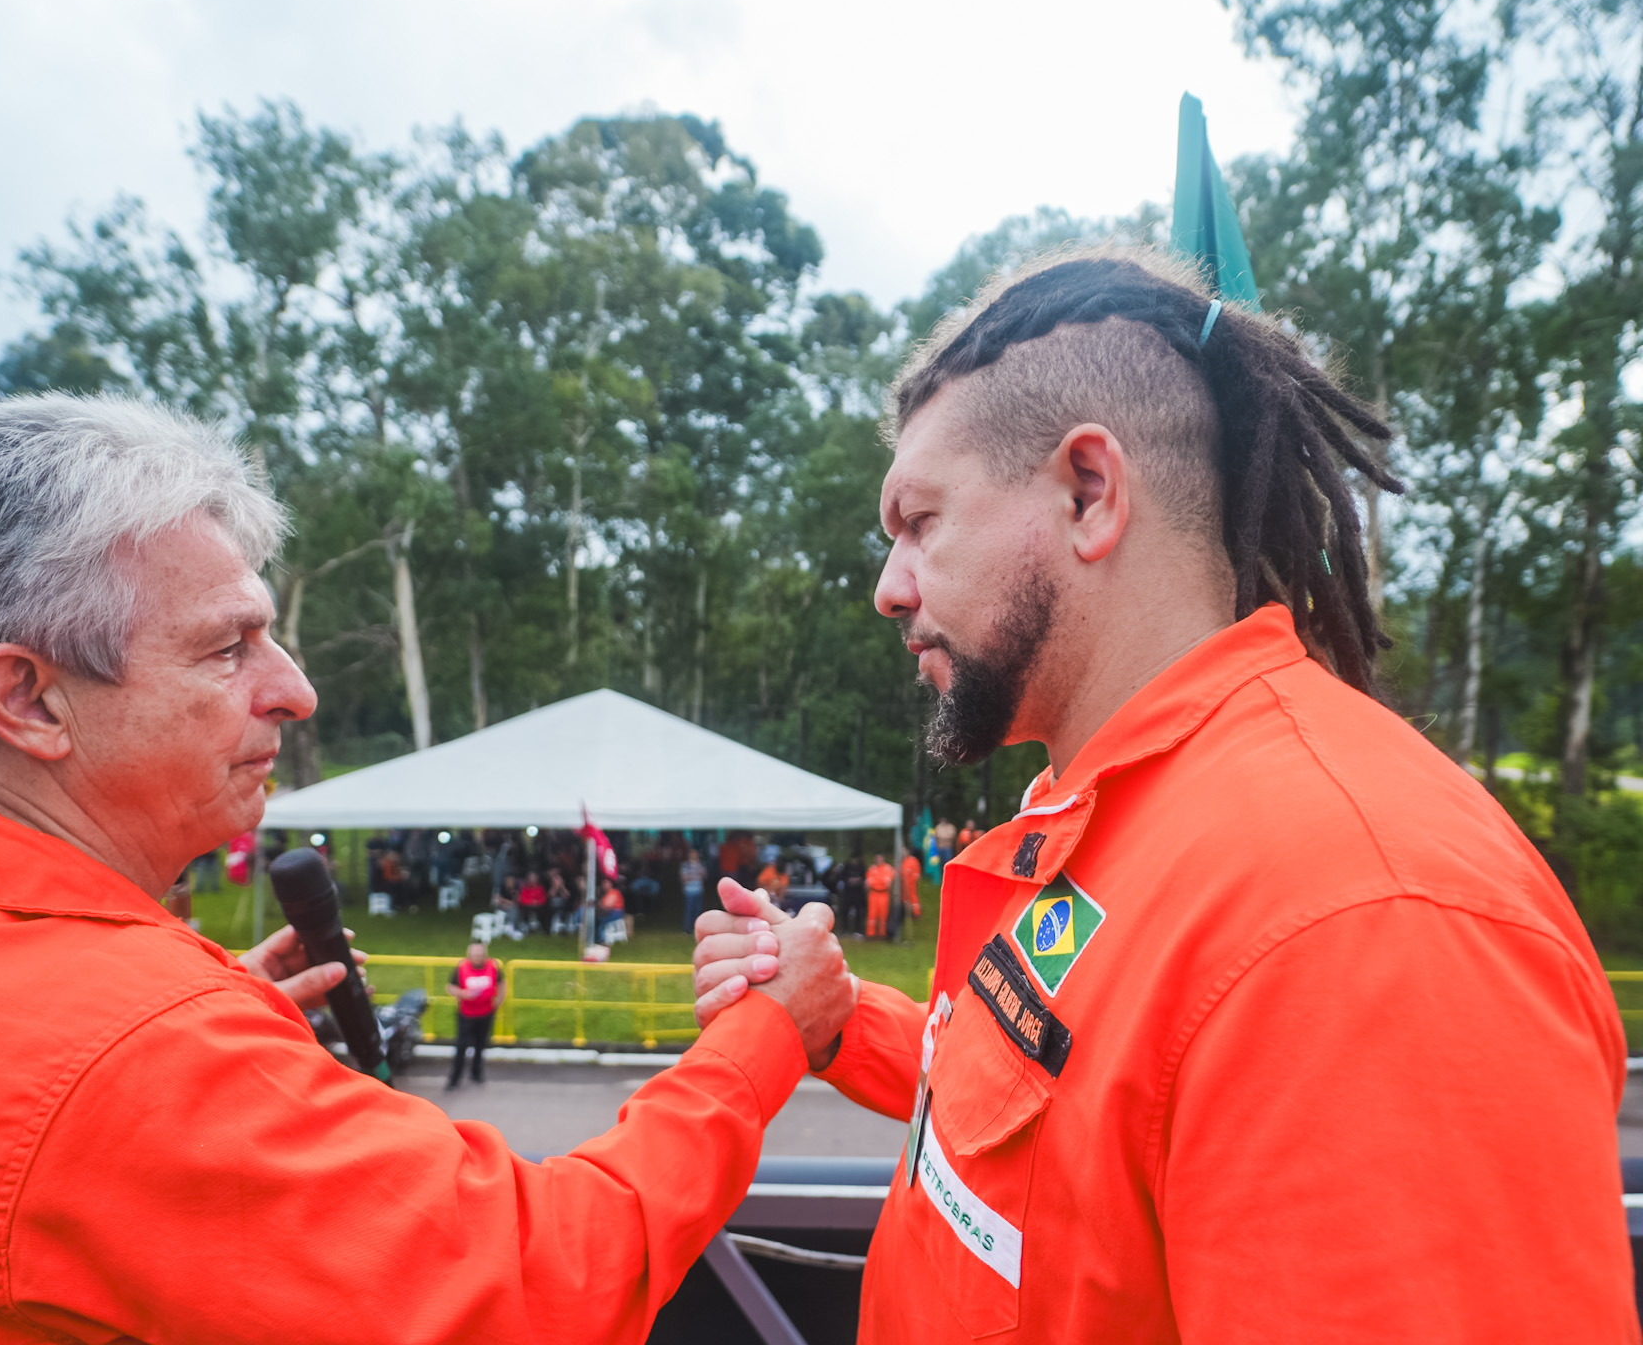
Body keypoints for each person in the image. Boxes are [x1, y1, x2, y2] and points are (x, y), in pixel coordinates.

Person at [0, 394, 857, 1344]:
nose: (292, 688)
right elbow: (539, 1285)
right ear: (27, 700)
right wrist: (761, 1038)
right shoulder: (137, 1050)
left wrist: (218, 1043)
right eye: (226, 646)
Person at [690, 251, 1633, 1342]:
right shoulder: (1111, 802)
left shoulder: (1361, 922)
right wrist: (839, 1021)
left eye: (920, 521)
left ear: (1088, 492)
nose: (887, 589)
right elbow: (1068, 1110)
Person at [445, 937, 502, 1089]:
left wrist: (498, 1001)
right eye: (475, 955)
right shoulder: (461, 968)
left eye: (480, 955)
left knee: (480, 1044)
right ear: (469, 956)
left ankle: (476, 1073)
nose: (478, 958)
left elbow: (502, 983)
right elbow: (450, 987)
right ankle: (455, 1078)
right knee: (461, 1046)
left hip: (486, 1013)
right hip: (466, 1014)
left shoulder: (493, 967)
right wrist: (463, 993)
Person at [862, 852, 895, 941]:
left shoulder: (888, 868)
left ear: (883, 859)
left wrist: (878, 882)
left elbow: (888, 882)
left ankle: (882, 933)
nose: (879, 860)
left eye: (880, 858)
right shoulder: (872, 869)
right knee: (872, 914)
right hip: (873, 893)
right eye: (877, 858)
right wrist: (878, 882)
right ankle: (870, 934)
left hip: (884, 893)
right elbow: (868, 882)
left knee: (883, 914)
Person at [679, 846, 707, 930]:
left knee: (698, 910)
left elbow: (704, 875)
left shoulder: (701, 864)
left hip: (699, 890)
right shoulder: (685, 865)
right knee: (689, 910)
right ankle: (687, 929)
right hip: (689, 891)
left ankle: (697, 928)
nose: (694, 855)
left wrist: (692, 876)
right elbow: (684, 877)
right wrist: (695, 876)